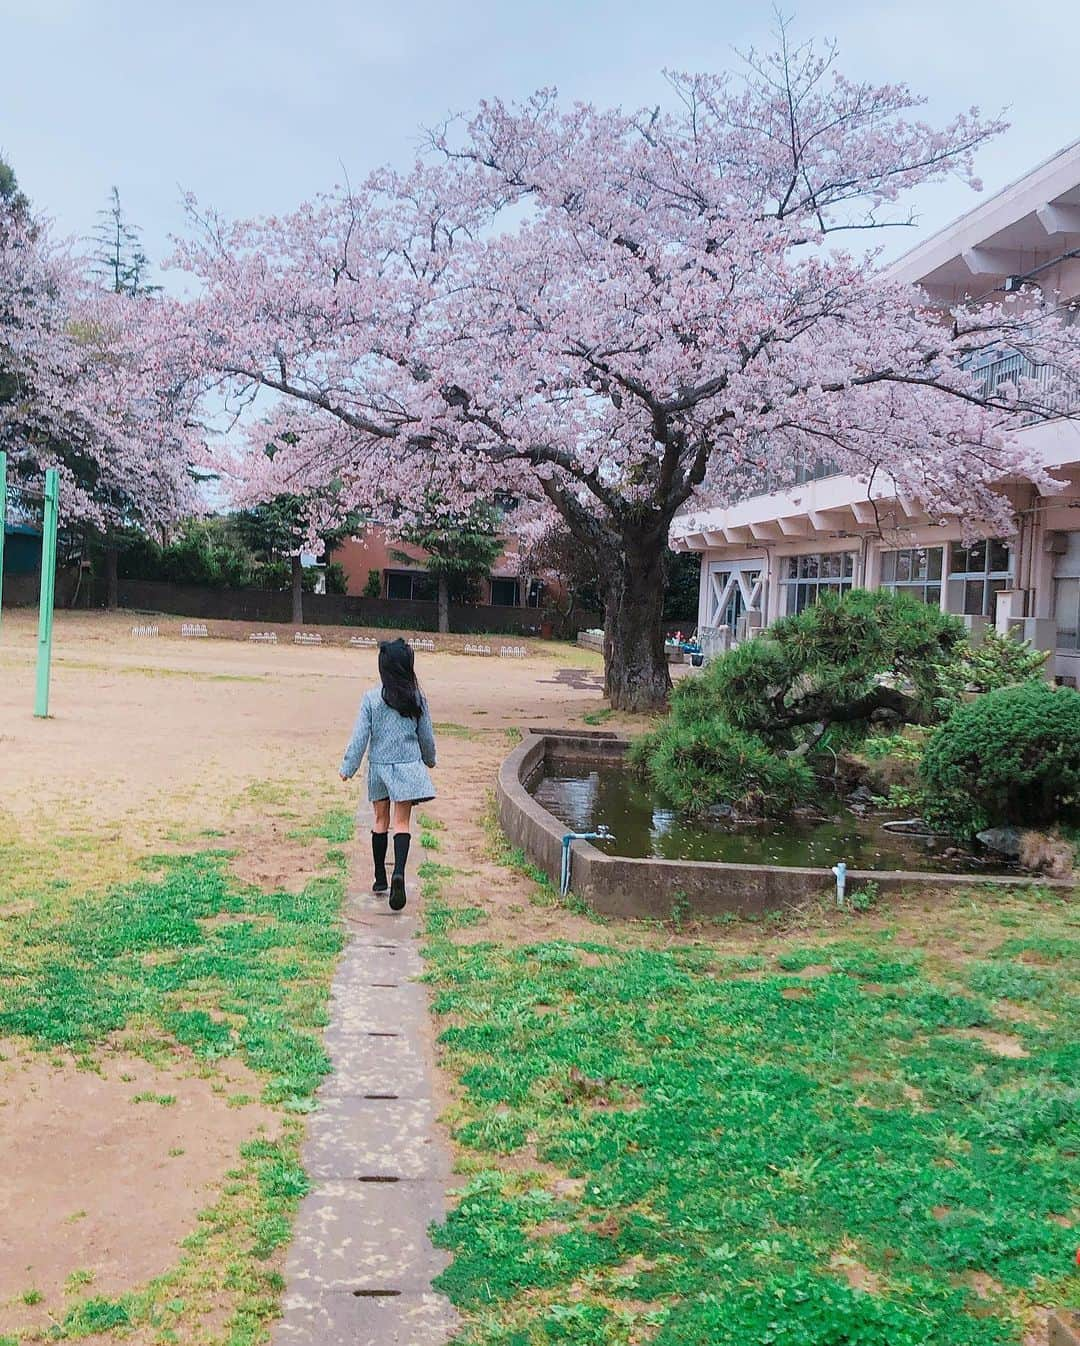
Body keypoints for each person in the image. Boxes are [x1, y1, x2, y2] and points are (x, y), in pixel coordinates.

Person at [339, 638, 437, 911]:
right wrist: (429, 760)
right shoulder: (417, 699)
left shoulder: (371, 699)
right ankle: (400, 873)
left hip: (380, 768)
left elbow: (360, 737)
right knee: (402, 822)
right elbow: (426, 737)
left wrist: (348, 768)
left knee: (380, 820)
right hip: (407, 767)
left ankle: (380, 877)